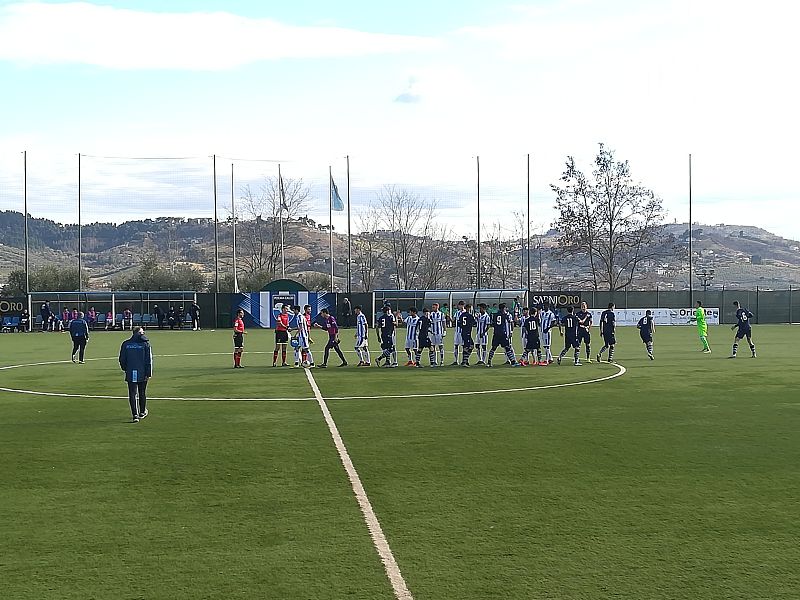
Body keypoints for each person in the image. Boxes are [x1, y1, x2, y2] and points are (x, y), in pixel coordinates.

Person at [119, 327, 153, 423]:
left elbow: (122, 359)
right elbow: (148, 360)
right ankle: (142, 412)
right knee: (142, 392)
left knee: (132, 393)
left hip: (131, 372)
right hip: (142, 372)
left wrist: (125, 369)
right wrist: (148, 373)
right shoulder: (145, 344)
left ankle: (135, 415)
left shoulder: (126, 344)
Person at [486, 303, 519, 367]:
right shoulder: (506, 315)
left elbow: (492, 324)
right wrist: (511, 331)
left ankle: (489, 362)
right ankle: (513, 362)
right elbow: (511, 322)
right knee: (507, 348)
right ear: (504, 308)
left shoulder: (495, 315)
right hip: (503, 334)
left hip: (496, 333)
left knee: (493, 348)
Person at [429, 302, 446, 366]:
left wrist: (444, 331)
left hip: (439, 333)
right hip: (433, 333)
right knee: (433, 347)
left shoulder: (441, 314)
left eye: (434, 307)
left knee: (440, 347)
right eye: (432, 307)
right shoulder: (431, 314)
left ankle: (441, 361)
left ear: (437, 307)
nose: (433, 308)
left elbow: (443, 323)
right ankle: (434, 361)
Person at [450, 300, 466, 365]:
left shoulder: (465, 313)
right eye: (459, 305)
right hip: (457, 332)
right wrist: (449, 318)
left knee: (463, 346)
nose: (460, 306)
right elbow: (453, 320)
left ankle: (463, 360)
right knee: (456, 345)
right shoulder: (457, 312)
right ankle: (456, 360)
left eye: (462, 305)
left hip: (463, 332)